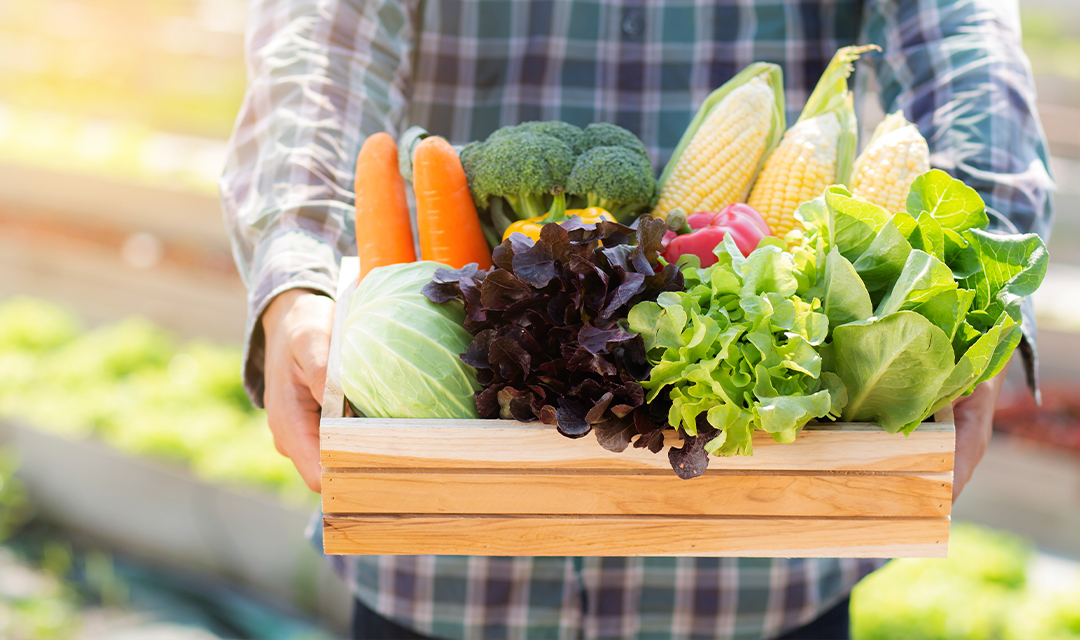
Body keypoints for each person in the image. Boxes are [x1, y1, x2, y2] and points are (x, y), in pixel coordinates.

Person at [220, 0, 1054, 637]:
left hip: (759, 566)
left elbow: (958, 35)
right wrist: (297, 267)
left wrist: (977, 277)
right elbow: (322, 38)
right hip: (443, 555)